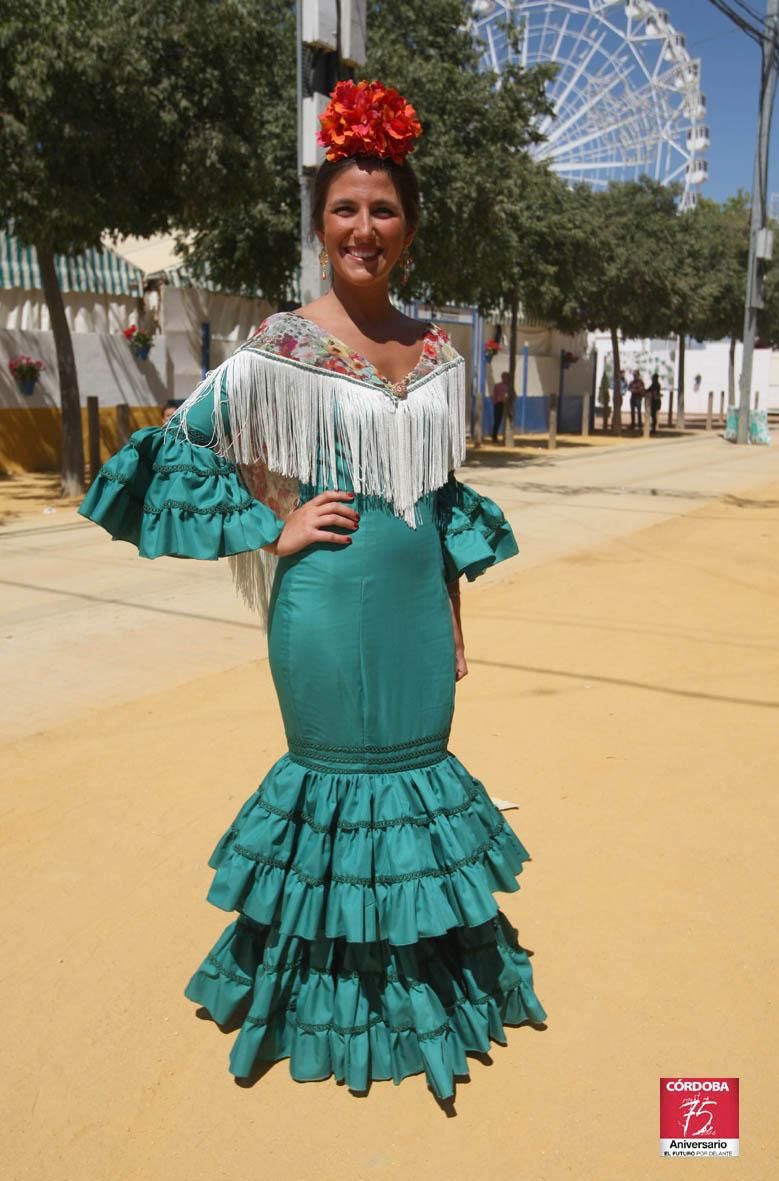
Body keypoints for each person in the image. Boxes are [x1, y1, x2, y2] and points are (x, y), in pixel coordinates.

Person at [78, 79, 545, 1102]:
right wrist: (269, 525)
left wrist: (458, 623)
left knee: (420, 787)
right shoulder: (278, 346)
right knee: (335, 792)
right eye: (344, 208)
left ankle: (426, 993)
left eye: (382, 209)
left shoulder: (436, 355)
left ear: (408, 227)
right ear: (320, 224)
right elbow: (176, 448)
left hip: (418, 619)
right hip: (323, 613)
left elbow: (442, 500)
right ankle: (323, 1002)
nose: (362, 228)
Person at [491, 371, 511, 442]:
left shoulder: (510, 386)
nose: (506, 378)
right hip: (499, 404)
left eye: (507, 377)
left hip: (507, 405)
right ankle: (494, 436)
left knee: (507, 421)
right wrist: (495, 403)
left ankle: (506, 437)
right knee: (497, 421)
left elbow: (514, 395)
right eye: (504, 377)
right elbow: (494, 396)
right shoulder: (498, 386)